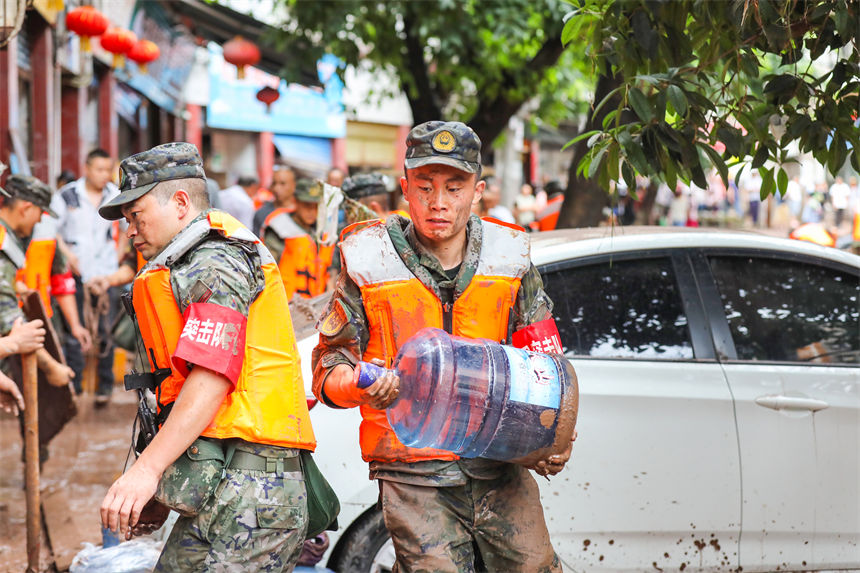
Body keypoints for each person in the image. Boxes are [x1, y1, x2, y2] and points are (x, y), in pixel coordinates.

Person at [312, 121, 572, 572]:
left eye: (455, 188)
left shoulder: (510, 256)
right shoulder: (367, 257)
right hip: (411, 470)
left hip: (498, 461)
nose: (438, 202)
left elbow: (546, 364)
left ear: (478, 192)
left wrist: (555, 436)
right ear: (404, 188)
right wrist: (357, 385)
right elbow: (328, 364)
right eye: (425, 186)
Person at [98, 142, 315, 570]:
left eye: (136, 216)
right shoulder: (187, 260)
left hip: (256, 489)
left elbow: (211, 375)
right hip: (226, 482)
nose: (130, 230)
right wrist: (162, 483)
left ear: (180, 203)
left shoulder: (216, 259)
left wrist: (145, 472)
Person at [55, 148, 121, 403]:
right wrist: (68, 256)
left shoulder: (115, 195)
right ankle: (76, 385)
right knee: (76, 332)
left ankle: (104, 388)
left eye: (108, 170)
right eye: (99, 169)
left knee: (106, 331)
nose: (104, 175)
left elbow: (127, 228)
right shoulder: (68, 195)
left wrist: (120, 255)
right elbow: (52, 229)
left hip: (106, 273)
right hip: (76, 273)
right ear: (87, 168)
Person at [0, 175, 75, 389]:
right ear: (25, 208)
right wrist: (52, 368)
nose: (40, 220)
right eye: (40, 213)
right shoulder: (3, 246)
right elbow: (10, 323)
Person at [261, 179, 334, 299]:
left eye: (316, 206)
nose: (312, 211)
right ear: (296, 202)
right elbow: (267, 271)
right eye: (307, 205)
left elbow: (330, 267)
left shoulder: (323, 230)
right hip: (286, 305)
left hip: (316, 306)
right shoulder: (279, 228)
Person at [252, 165, 296, 236]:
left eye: (282, 183)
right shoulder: (261, 213)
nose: (276, 188)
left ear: (294, 186)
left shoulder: (302, 213)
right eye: (274, 183)